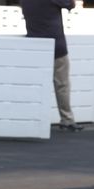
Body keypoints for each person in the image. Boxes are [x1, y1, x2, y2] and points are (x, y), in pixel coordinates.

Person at [20, 0, 83, 131]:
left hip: (35, 46)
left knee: (35, 85)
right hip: (56, 45)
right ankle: (67, 119)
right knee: (62, 85)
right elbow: (71, 4)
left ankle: (31, 119)